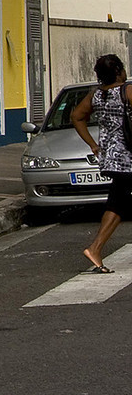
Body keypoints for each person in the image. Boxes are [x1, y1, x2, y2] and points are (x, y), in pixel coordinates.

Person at [72, 54, 132, 272]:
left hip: (110, 158)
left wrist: (92, 144)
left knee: (119, 204)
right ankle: (95, 248)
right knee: (117, 204)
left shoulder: (96, 96)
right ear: (118, 71)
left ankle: (95, 249)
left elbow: (76, 116)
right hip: (127, 158)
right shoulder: (127, 90)